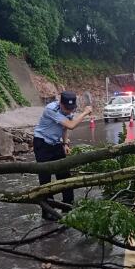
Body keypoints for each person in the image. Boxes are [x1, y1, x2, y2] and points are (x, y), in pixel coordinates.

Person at [33, 91, 92, 220]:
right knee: (45, 178)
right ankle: (48, 210)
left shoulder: (70, 111)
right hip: (42, 143)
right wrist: (85, 113)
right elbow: (70, 125)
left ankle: (68, 205)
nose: (69, 112)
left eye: (71, 109)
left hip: (56, 143)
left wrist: (65, 144)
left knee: (65, 175)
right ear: (60, 104)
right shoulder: (51, 109)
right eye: (66, 109)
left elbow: (64, 128)